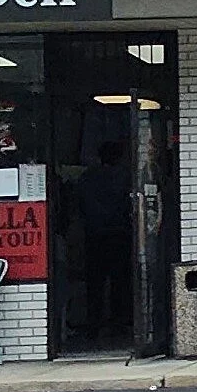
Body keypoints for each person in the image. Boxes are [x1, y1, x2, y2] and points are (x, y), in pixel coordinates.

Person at [76, 141, 132, 339]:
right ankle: (119, 323)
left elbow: (80, 206)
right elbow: (128, 205)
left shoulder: (87, 178)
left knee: (95, 283)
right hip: (119, 234)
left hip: (94, 234)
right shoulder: (125, 177)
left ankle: (94, 325)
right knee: (120, 282)